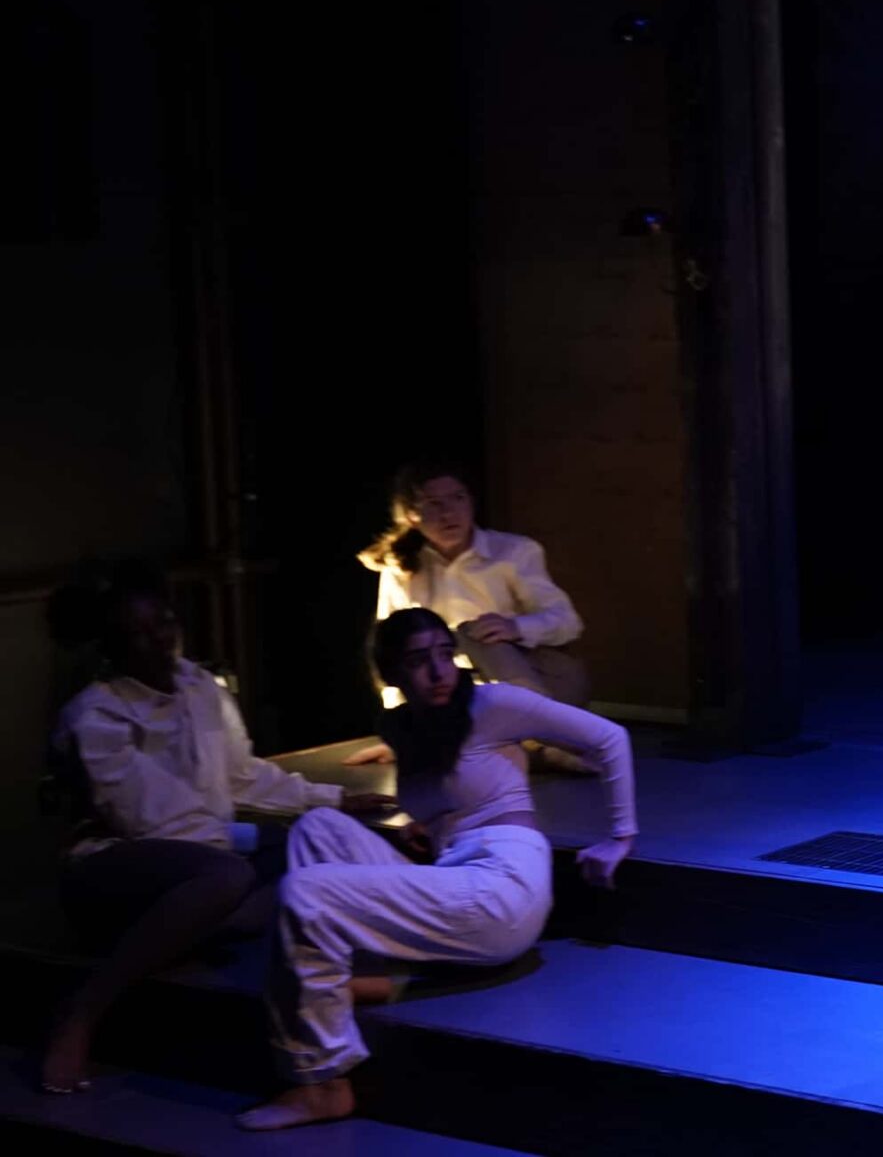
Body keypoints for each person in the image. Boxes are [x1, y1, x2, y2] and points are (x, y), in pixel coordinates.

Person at [236, 607, 638, 1131]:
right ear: (392, 673)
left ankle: (323, 1081)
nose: (439, 671)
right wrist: (429, 824)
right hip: (457, 871)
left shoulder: (493, 703)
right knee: (318, 828)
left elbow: (610, 739)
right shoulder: (401, 726)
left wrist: (620, 837)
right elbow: (451, 797)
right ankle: (353, 981)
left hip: (502, 886)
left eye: (446, 654)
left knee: (306, 892)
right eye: (418, 660)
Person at [40, 562, 397, 1095]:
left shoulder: (198, 686)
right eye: (138, 633)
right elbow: (151, 821)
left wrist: (334, 799)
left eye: (163, 623)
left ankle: (195, 929)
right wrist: (243, 853)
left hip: (206, 854)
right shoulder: (96, 716)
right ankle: (84, 1009)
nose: (159, 640)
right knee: (230, 877)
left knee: (314, 846)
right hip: (117, 864)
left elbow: (243, 776)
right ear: (111, 646)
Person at [352, 461, 593, 772]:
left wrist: (514, 627)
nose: (448, 513)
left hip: (541, 679)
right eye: (434, 503)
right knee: (427, 643)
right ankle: (539, 750)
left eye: (458, 498)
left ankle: (551, 733)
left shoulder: (512, 552)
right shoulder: (401, 567)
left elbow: (568, 622)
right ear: (411, 514)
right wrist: (401, 725)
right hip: (461, 695)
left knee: (474, 632)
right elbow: (392, 651)